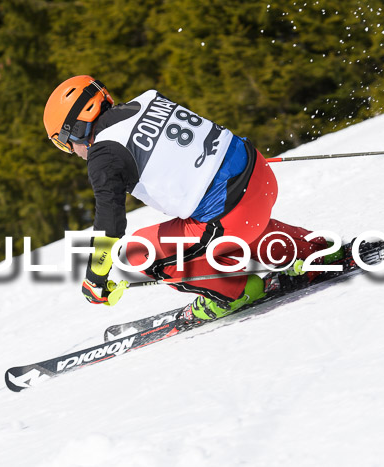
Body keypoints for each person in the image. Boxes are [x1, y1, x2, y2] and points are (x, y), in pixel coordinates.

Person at [43, 75, 334, 323]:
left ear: (75, 129)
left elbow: (110, 221)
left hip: (235, 214)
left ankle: (235, 291)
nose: (71, 151)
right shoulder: (148, 100)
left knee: (138, 252)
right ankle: (312, 251)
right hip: (260, 175)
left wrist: (96, 277)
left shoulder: (103, 154)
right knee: (211, 217)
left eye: (62, 142)